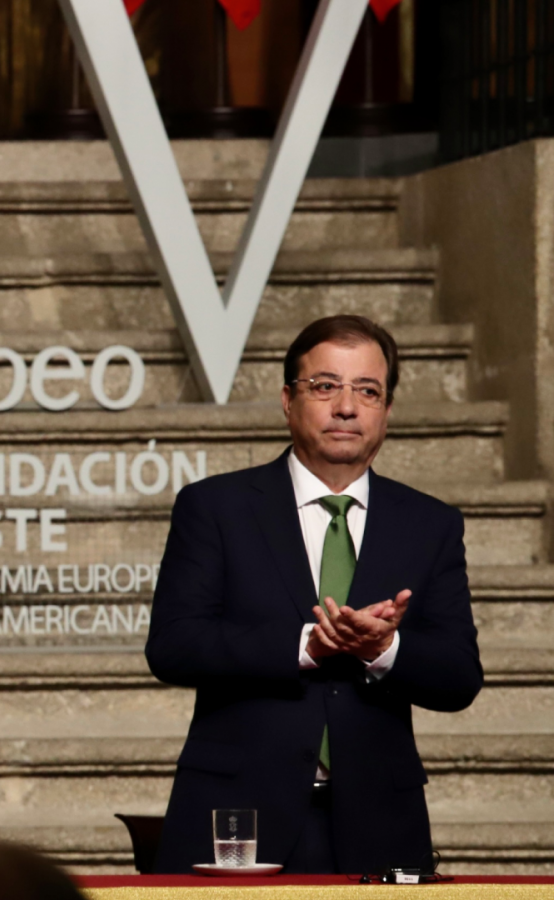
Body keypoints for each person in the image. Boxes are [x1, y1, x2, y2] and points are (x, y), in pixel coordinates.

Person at [146, 314, 483, 874]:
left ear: (387, 411)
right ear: (287, 399)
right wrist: (308, 646)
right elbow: (175, 645)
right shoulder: (216, 508)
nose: (346, 407)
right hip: (238, 814)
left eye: (367, 391)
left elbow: (459, 676)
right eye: (325, 386)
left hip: (379, 820)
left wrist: (382, 650)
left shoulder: (430, 523)